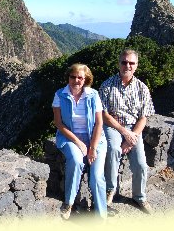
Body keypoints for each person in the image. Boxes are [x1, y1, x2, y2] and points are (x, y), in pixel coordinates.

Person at [99, 49, 155, 214]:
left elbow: (143, 117)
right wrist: (124, 132)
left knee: (141, 164)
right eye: (124, 62)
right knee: (114, 149)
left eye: (131, 63)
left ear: (136, 66)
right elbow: (104, 114)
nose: (127, 66)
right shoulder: (107, 85)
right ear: (119, 64)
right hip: (114, 126)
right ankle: (110, 190)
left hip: (134, 129)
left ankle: (139, 197)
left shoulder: (142, 88)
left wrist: (132, 137)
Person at [52, 63, 107, 220]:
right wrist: (79, 142)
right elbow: (59, 124)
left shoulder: (93, 95)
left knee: (96, 176)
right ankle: (68, 203)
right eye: (73, 77)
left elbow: (99, 123)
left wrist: (93, 147)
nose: (76, 80)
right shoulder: (59, 95)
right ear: (68, 77)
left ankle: (101, 216)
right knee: (76, 161)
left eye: (80, 77)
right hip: (69, 137)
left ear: (86, 79)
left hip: (95, 138)